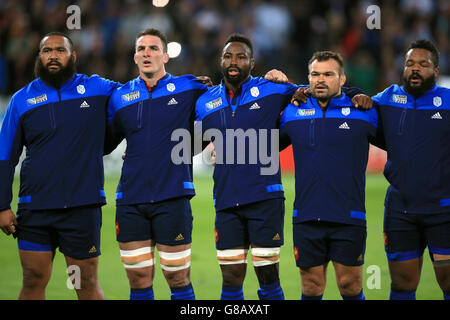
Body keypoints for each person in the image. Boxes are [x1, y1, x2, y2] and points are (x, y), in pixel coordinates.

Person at [195, 34, 370, 300]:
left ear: (252, 62)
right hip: (226, 200)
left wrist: (355, 93)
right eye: (228, 56)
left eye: (241, 56)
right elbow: (194, 141)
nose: (234, 61)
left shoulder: (273, 89)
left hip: (265, 199)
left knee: (267, 277)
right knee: (230, 280)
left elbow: (320, 88)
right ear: (220, 60)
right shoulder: (205, 101)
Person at [0, 32, 118, 299]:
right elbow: (5, 155)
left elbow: (136, 96)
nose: (53, 55)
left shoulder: (97, 88)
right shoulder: (21, 100)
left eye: (60, 50)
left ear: (73, 56)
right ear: (39, 57)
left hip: (82, 206)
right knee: (32, 279)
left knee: (85, 282)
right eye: (46, 51)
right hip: (35, 207)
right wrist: (2, 205)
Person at [104, 28, 210, 300]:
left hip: (172, 196)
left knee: (177, 276)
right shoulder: (120, 96)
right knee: (138, 278)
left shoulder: (190, 87)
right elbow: (105, 143)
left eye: (153, 48)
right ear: (135, 57)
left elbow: (218, 121)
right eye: (141, 49)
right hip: (131, 199)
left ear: (165, 55)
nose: (147, 53)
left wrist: (185, 149)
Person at [280, 51, 382, 300]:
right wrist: (227, 150)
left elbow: (401, 144)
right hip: (306, 216)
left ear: (343, 79)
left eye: (328, 74)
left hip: (349, 216)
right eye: (315, 74)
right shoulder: (292, 111)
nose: (321, 79)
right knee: (311, 286)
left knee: (350, 285)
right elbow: (265, 144)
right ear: (308, 78)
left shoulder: (364, 111)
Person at [372, 39, 450, 300]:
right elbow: (349, 105)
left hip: (443, 209)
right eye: (409, 63)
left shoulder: (448, 101)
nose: (415, 69)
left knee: (448, 282)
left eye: (423, 64)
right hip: (400, 210)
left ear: (436, 71)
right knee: (403, 286)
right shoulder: (387, 98)